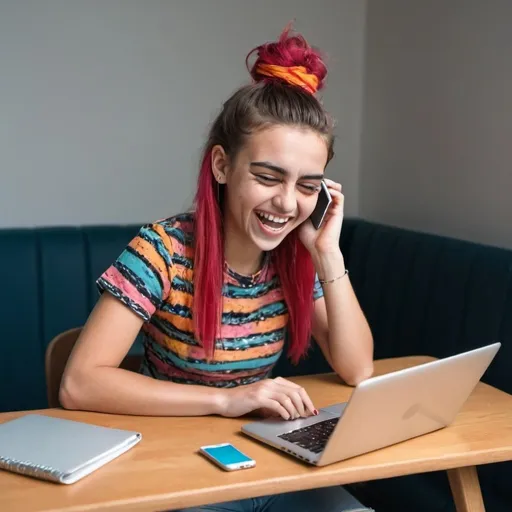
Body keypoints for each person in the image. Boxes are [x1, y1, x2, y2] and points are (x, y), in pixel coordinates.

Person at [60, 25, 374, 512]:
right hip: (177, 466)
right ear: (222, 166)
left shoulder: (297, 255)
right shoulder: (163, 249)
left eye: (307, 186)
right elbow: (79, 383)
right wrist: (228, 398)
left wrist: (327, 252)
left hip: (266, 463)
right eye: (268, 176)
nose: (286, 203)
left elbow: (357, 369)